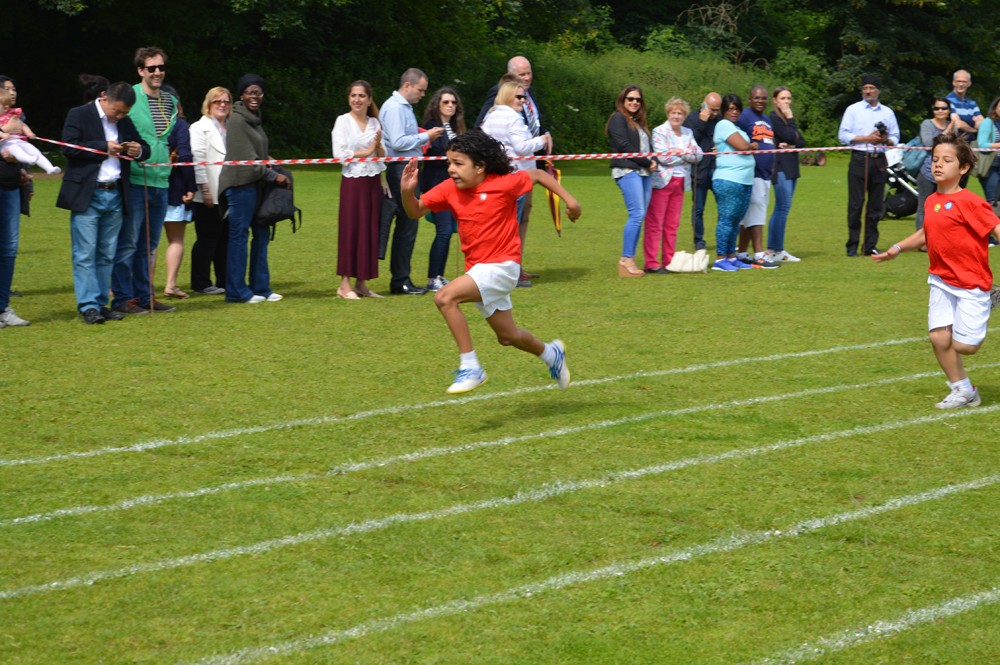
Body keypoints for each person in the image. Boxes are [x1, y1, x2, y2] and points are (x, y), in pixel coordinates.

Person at [399, 130, 580, 394]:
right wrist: (407, 192)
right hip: (479, 271)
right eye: (449, 163)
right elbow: (414, 211)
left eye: (458, 163)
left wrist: (572, 201)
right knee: (508, 336)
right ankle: (551, 354)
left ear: (481, 166)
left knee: (445, 297)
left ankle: (470, 366)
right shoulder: (450, 189)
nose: (451, 169)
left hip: (503, 267)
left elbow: (540, 175)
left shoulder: (505, 183)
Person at [872, 133, 1000, 409]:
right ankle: (964, 390)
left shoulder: (971, 202)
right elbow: (926, 233)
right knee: (938, 337)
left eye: (946, 160)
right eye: (934, 160)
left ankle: (991, 298)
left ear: (963, 168)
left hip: (971, 284)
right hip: (941, 279)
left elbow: (996, 229)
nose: (937, 165)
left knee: (967, 346)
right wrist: (896, 248)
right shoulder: (931, 200)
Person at [56, 77, 150, 324]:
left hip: (116, 194)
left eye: (124, 113)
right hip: (88, 194)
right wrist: (103, 147)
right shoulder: (79, 114)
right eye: (116, 111)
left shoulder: (125, 121)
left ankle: (100, 303)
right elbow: (68, 147)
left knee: (107, 254)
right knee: (85, 253)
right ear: (104, 98)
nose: (119, 116)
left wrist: (137, 150)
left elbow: (146, 149)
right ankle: (88, 306)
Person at [112, 46, 179, 315]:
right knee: (128, 242)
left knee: (149, 245)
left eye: (161, 67)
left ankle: (144, 296)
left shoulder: (170, 101)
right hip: (136, 179)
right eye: (151, 68)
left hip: (161, 180)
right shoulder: (129, 96)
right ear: (140, 70)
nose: (157, 72)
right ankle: (122, 298)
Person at [475, 56, 550, 283]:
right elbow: (487, 133)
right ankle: (509, 270)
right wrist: (542, 141)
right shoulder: (501, 105)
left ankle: (515, 267)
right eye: (521, 76)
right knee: (510, 223)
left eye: (529, 74)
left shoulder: (525, 97)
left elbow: (535, 123)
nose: (526, 80)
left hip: (523, 170)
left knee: (520, 219)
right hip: (514, 173)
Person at [218, 73, 289, 303]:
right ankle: (236, 291)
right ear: (242, 95)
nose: (254, 96)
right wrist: (274, 176)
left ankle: (261, 287)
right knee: (239, 236)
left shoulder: (255, 118)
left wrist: (270, 161)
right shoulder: (237, 120)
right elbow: (246, 160)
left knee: (261, 234)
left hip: (257, 185)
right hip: (240, 185)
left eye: (258, 92)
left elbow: (258, 154)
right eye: (250, 92)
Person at [381, 68, 443, 296]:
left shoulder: (402, 107)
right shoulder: (396, 108)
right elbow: (398, 142)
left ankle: (402, 278)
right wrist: (427, 136)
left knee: (408, 225)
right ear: (407, 85)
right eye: (420, 90)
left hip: (406, 167)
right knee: (407, 223)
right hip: (400, 169)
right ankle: (400, 281)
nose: (422, 95)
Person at [331, 80, 385, 300]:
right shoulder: (342, 121)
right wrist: (367, 150)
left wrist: (378, 147)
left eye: (361, 96)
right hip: (353, 183)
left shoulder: (375, 122)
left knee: (369, 230)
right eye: (353, 95)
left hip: (372, 181)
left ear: (369, 99)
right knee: (351, 229)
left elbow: (383, 155)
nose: (357, 100)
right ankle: (344, 285)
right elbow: (340, 154)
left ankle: (362, 282)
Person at [838, 74, 899, 256]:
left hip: (879, 160)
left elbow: (896, 137)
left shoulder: (887, 112)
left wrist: (885, 139)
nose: (868, 91)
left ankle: (870, 245)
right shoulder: (853, 110)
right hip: (859, 159)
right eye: (865, 88)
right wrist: (867, 138)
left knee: (875, 206)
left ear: (878, 90)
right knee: (856, 205)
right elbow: (843, 135)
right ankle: (852, 245)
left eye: (871, 88)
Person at [645, 97, 701, 273]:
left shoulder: (688, 132)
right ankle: (651, 263)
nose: (676, 116)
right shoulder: (659, 131)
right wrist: (686, 153)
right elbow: (663, 157)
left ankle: (668, 261)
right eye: (674, 112)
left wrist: (679, 151)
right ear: (668, 113)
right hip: (662, 182)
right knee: (655, 224)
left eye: (680, 113)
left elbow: (698, 156)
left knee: (672, 224)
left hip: (681, 183)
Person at [420, 86, 465, 292]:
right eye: (446, 102)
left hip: (453, 186)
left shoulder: (456, 128)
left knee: (449, 231)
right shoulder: (431, 127)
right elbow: (437, 153)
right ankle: (433, 278)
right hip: (436, 185)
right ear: (437, 104)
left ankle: (438, 276)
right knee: (444, 230)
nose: (450, 106)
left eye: (453, 102)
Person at [607, 85, 654, 278]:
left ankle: (630, 260)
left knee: (640, 215)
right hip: (628, 170)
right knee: (637, 213)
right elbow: (624, 146)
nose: (634, 102)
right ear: (623, 100)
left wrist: (654, 161)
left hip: (644, 173)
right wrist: (647, 161)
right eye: (630, 99)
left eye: (638, 100)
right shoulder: (618, 118)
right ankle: (626, 259)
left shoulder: (639, 122)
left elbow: (647, 147)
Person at [189, 86, 231, 295]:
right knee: (207, 238)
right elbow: (197, 160)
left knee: (225, 239)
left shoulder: (231, 127)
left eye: (226, 101)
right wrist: (204, 188)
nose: (222, 104)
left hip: (228, 193)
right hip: (208, 192)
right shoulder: (199, 127)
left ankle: (223, 280)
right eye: (217, 101)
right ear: (209, 104)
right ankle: (201, 282)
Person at [711, 94, 757, 272]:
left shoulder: (736, 127)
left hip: (744, 180)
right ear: (723, 110)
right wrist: (751, 146)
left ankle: (731, 256)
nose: (734, 112)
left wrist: (750, 145)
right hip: (728, 179)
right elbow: (744, 147)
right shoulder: (723, 125)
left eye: (737, 108)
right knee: (727, 219)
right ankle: (720, 258)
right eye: (730, 109)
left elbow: (746, 145)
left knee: (736, 220)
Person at [735, 86, 779, 269]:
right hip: (752, 173)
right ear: (750, 99)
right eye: (757, 98)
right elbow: (737, 140)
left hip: (765, 173)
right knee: (757, 213)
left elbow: (769, 143)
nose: (760, 101)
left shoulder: (767, 119)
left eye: (763, 98)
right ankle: (759, 255)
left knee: (749, 215)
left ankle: (743, 253)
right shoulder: (745, 117)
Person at [160, 85, 195, 300]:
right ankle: (170, 285)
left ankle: (140, 288)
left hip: (148, 186)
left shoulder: (145, 125)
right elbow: (185, 156)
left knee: (147, 243)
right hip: (175, 190)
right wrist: (191, 187)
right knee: (176, 240)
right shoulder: (179, 125)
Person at [767, 86, 806, 261]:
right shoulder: (774, 118)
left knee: (783, 208)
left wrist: (792, 142)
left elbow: (801, 141)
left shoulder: (787, 120)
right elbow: (791, 137)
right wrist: (790, 119)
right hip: (780, 167)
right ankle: (776, 250)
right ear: (775, 100)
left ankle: (775, 249)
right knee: (782, 208)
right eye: (783, 98)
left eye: (789, 98)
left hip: (792, 168)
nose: (787, 102)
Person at [683, 92, 721, 251]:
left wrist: (720, 147)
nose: (714, 113)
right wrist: (702, 122)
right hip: (699, 171)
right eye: (712, 110)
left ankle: (724, 239)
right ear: (704, 105)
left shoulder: (720, 121)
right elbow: (690, 142)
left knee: (724, 207)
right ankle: (698, 241)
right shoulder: (691, 119)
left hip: (718, 169)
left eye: (717, 110)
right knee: (698, 209)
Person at [916, 98, 956, 231]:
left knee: (945, 207)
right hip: (928, 172)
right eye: (936, 108)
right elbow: (928, 143)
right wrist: (947, 131)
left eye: (943, 108)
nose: (940, 111)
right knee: (924, 207)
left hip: (947, 174)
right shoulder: (927, 124)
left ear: (949, 110)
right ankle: (921, 241)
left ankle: (939, 236)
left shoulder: (952, 126)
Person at [0, 89, 60, 175]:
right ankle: (29, 159)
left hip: (18, 140)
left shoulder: (12, 116)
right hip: (5, 144)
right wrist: (3, 134)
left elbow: (22, 125)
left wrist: (29, 133)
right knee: (16, 150)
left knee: (34, 150)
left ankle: (49, 168)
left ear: (5, 107)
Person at [975, 95, 1000, 203]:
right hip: (990, 168)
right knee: (993, 200)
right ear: (995, 108)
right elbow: (982, 145)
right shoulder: (988, 122)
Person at [947, 69, 982, 144]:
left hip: (970, 144)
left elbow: (982, 122)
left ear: (969, 83)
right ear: (953, 83)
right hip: (953, 143)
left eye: (964, 81)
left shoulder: (972, 103)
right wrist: (974, 130)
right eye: (958, 81)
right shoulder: (947, 101)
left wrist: (976, 124)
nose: (961, 84)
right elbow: (958, 124)